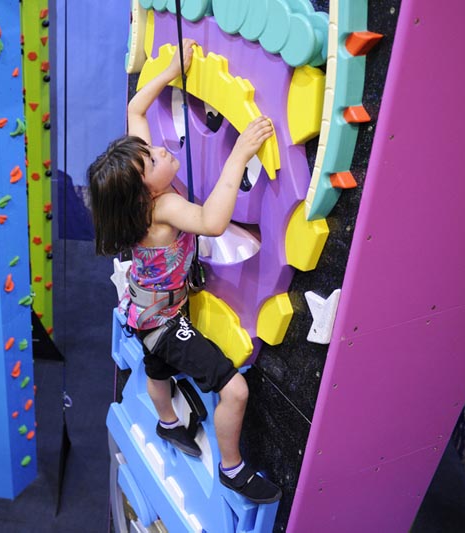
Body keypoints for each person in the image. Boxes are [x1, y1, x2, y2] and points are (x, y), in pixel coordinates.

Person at [87, 39, 281, 504]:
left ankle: (168, 424)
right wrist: (238, 155)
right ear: (143, 195)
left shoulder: (142, 199)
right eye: (152, 160)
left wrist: (172, 68)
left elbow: (136, 108)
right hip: (164, 320)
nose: (159, 150)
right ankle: (232, 469)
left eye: (150, 150)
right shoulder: (165, 208)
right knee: (233, 389)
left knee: (156, 367)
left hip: (139, 306)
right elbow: (213, 222)